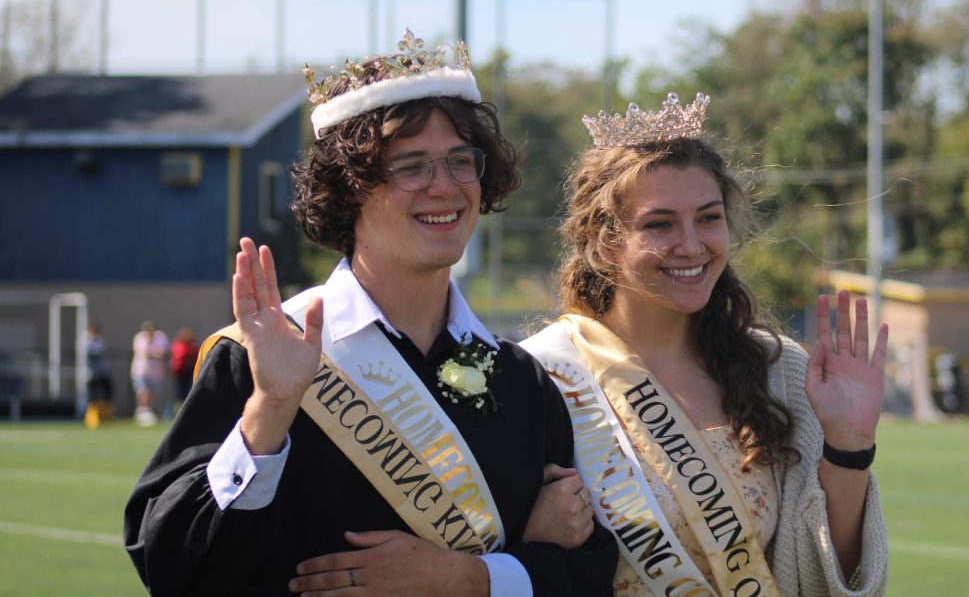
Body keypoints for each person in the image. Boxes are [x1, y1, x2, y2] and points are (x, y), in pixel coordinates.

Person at [124, 31, 616, 596]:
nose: (445, 187)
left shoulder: (522, 382)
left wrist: (471, 578)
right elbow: (171, 566)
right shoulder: (262, 357)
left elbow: (588, 576)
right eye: (411, 166)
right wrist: (271, 411)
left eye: (461, 161)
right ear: (349, 189)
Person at [521, 92, 888, 596]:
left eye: (709, 218)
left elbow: (830, 578)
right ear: (605, 241)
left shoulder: (777, 371)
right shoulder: (544, 375)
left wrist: (849, 445)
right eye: (659, 224)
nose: (692, 245)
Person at [129, 320, 169, 426]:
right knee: (142, 390)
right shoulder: (140, 337)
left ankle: (148, 411)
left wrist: (153, 352)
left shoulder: (160, 337)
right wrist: (153, 352)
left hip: (156, 371)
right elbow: (141, 351)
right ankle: (142, 411)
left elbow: (162, 352)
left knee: (152, 392)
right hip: (141, 369)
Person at [84, 322, 114, 428]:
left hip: (102, 372)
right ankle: (91, 419)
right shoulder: (86, 340)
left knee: (107, 393)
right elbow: (92, 354)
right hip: (91, 374)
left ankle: (105, 416)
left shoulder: (99, 340)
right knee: (92, 397)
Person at [169, 327, 200, 411]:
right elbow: (180, 356)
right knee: (180, 392)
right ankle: (179, 410)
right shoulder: (179, 345)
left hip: (189, 371)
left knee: (188, 391)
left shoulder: (192, 346)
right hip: (180, 372)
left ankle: (186, 409)